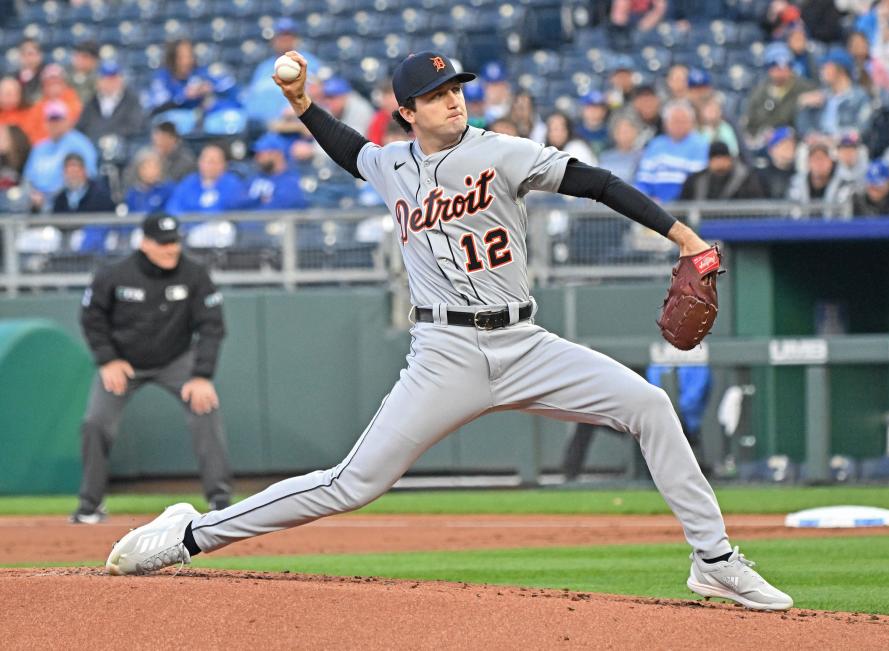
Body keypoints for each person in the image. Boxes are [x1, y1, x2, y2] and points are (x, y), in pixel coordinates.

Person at [104, 49, 793, 613]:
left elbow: (596, 182)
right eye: (435, 94)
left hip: (525, 344)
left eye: (456, 87)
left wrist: (683, 237)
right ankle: (188, 534)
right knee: (353, 482)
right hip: (444, 353)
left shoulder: (500, 152)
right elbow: (351, 151)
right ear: (406, 111)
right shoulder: (389, 164)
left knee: (648, 404)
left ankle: (714, 559)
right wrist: (303, 105)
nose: (452, 100)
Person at [72, 213, 231, 524]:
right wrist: (107, 360)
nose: (170, 249)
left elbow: (212, 326)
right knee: (95, 422)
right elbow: (92, 318)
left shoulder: (195, 274)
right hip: (123, 362)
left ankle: (220, 498)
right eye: (163, 243)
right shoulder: (115, 274)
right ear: (145, 243)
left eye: (174, 242)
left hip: (176, 359)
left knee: (205, 409)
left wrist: (202, 375)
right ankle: (90, 503)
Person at [562, 364, 713, 480]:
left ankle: (655, 476)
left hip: (682, 421)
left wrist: (665, 413)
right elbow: (649, 387)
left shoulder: (698, 362)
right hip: (647, 417)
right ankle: (569, 475)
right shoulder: (660, 357)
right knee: (588, 420)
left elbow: (693, 398)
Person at [243, 17, 323, 127]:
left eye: (289, 36)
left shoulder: (308, 62)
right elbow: (250, 95)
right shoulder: (263, 67)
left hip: (293, 127)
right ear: (274, 40)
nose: (284, 40)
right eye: (281, 36)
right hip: (258, 127)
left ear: (296, 39)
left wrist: (297, 106)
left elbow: (319, 92)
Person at [22, 100, 98, 209]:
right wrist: (33, 195)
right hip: (36, 204)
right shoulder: (39, 147)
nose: (55, 124)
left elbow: (89, 176)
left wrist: (55, 195)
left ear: (68, 120)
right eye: (51, 119)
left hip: (66, 202)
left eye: (58, 119)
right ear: (45, 123)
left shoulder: (81, 144)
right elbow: (27, 178)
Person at [633, 100, 709, 202]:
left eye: (683, 121)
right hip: (653, 205)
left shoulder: (701, 144)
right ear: (666, 123)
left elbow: (697, 182)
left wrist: (669, 202)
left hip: (685, 205)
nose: (679, 125)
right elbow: (643, 180)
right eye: (675, 121)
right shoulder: (655, 145)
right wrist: (647, 200)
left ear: (691, 123)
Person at [743, 43, 817, 146]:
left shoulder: (805, 88)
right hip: (767, 145)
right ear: (768, 69)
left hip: (798, 143)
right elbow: (750, 125)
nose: (781, 71)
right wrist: (761, 133)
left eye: (786, 66)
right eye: (776, 66)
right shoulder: (759, 93)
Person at [796, 48, 873, 138]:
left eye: (826, 67)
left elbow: (862, 129)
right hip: (819, 147)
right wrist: (802, 103)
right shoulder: (820, 96)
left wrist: (836, 139)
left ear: (841, 70)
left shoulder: (860, 97)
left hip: (846, 147)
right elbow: (803, 129)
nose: (822, 71)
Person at [165, 144, 246, 215]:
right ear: (199, 163)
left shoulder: (232, 184)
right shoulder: (189, 183)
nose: (209, 166)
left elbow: (231, 209)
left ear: (224, 164)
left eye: (213, 162)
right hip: (188, 229)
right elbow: (173, 208)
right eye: (205, 161)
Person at [76, 61, 147, 142]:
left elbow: (135, 126)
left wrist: (109, 134)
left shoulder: (132, 100)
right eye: (106, 79)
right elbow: (81, 127)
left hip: (123, 146)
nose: (110, 83)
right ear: (98, 81)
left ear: (121, 80)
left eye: (114, 79)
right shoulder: (91, 101)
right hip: (94, 144)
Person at [679, 142, 765, 201]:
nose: (719, 162)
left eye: (722, 158)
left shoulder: (746, 179)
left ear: (729, 159)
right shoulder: (696, 180)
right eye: (716, 159)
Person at [242, 132, 307, 210]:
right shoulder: (254, 178)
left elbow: (282, 207)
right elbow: (235, 203)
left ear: (276, 154)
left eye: (260, 153)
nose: (256, 157)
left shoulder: (291, 181)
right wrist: (258, 200)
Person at [757, 126, 798, 199]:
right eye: (784, 143)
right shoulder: (760, 176)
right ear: (772, 149)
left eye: (792, 144)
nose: (789, 147)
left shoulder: (799, 176)